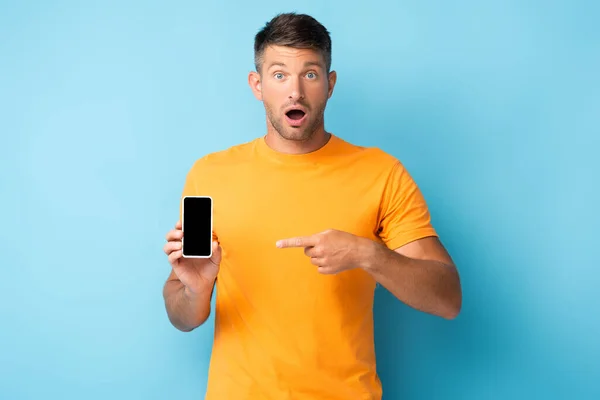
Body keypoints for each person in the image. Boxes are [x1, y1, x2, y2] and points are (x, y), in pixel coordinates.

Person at [162, 12, 462, 400]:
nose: (295, 92)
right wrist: (196, 292)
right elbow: (181, 317)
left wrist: (370, 254)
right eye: (280, 74)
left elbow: (448, 299)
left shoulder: (381, 174)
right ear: (257, 84)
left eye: (310, 74)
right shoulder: (210, 175)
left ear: (330, 83)